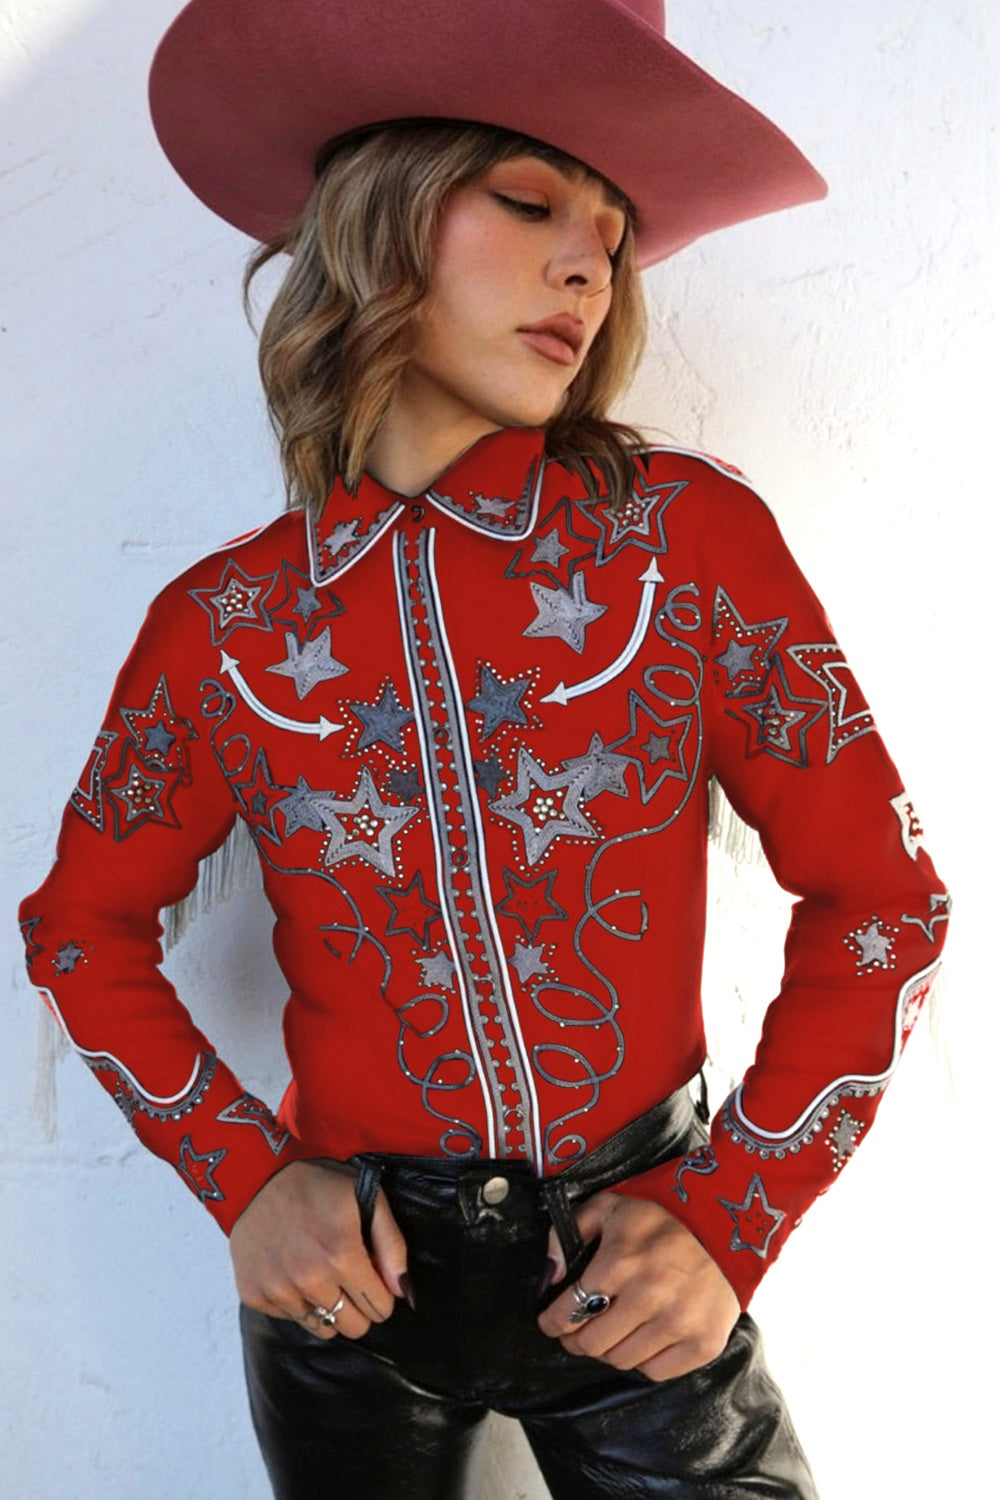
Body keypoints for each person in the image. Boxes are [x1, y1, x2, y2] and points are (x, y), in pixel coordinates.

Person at [18, 1, 949, 1496]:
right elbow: (82, 927)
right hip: (345, 1304)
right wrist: (245, 1183)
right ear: (381, 216)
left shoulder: (683, 545)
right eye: (528, 200)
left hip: (637, 1265)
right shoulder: (226, 627)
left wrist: (733, 1217)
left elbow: (886, 902)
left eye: (612, 235)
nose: (589, 264)